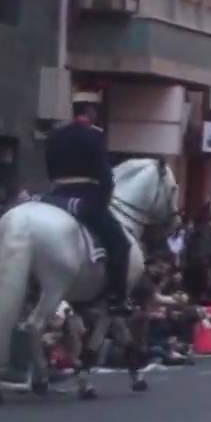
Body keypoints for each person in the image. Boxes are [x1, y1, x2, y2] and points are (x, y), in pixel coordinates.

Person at [45, 90, 131, 316]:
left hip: (56, 196)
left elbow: (50, 170)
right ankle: (117, 297)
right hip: (84, 197)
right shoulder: (94, 136)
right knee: (120, 243)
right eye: (95, 111)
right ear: (90, 111)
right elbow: (104, 175)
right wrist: (102, 200)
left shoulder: (56, 135)